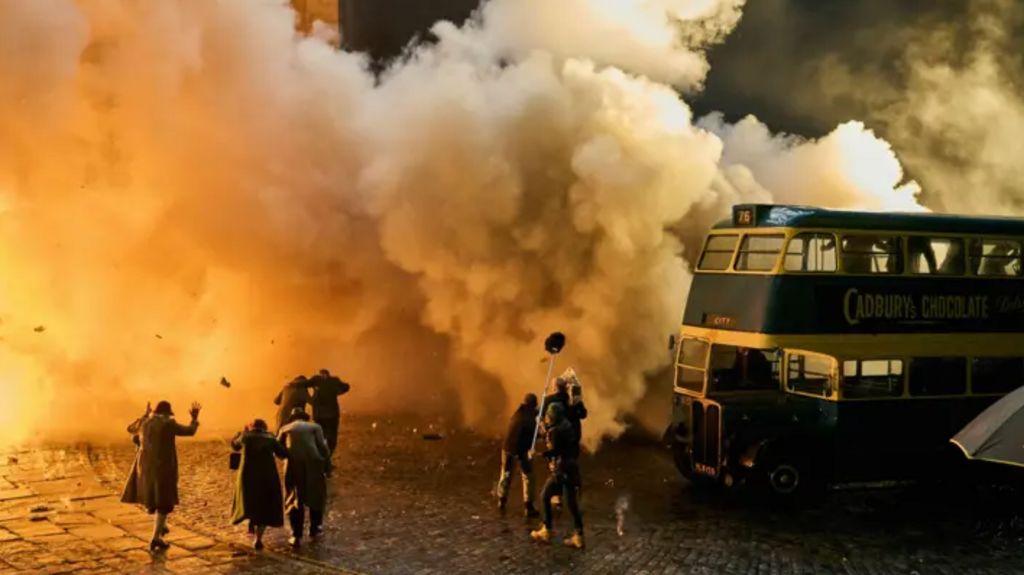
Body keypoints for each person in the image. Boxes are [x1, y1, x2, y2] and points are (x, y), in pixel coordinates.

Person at [121, 400, 201, 552]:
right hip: (163, 468)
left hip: (144, 468)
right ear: (166, 413)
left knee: (154, 498)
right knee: (163, 503)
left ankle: (162, 526)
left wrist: (144, 415)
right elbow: (190, 431)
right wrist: (194, 419)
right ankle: (155, 538)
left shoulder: (144, 422)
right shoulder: (168, 424)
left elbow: (130, 429)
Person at [530, 403, 584, 549]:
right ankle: (579, 536)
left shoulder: (555, 431)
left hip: (561, 470)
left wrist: (538, 455)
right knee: (571, 503)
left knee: (545, 496)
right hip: (572, 468)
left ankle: (546, 529)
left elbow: (555, 450)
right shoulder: (566, 425)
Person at [230, 419, 289, 550]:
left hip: (247, 477)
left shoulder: (245, 436)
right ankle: (258, 539)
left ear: (252, 427)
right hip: (267, 476)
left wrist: (239, 433)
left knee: (250, 502)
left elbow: (234, 445)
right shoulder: (270, 438)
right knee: (264, 506)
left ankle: (251, 524)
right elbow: (283, 454)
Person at [278, 407, 330, 548]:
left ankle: (296, 534)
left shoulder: (285, 428)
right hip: (314, 464)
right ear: (306, 417)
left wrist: (287, 455)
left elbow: (279, 450)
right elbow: (322, 447)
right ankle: (315, 527)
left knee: (293, 498)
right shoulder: (315, 427)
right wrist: (326, 463)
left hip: (293, 466)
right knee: (317, 495)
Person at [496, 393, 539, 518]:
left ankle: (502, 500)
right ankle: (528, 506)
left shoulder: (517, 414)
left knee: (506, 474)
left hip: (507, 448)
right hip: (521, 450)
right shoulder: (528, 419)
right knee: (528, 476)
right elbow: (532, 431)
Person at [309, 369, 351, 460]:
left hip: (319, 415)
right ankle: (327, 457)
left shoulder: (316, 380)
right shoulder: (333, 381)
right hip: (332, 415)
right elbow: (346, 387)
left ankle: (321, 458)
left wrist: (292, 384)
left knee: (320, 437)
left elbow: (304, 383)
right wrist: (337, 392)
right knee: (331, 438)